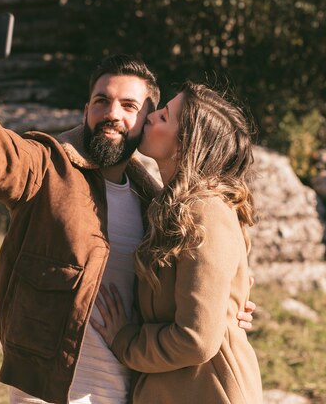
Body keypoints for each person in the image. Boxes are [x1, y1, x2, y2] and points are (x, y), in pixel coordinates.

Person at [0, 16, 256, 404]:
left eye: (129, 105)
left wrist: (228, 309)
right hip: (49, 390)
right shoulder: (46, 168)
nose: (112, 113)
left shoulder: (158, 203)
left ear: (148, 119)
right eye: (101, 101)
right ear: (86, 110)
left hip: (132, 391)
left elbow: (197, 292)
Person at [91, 82, 263, 403]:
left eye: (165, 116)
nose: (151, 116)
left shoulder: (206, 210)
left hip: (208, 392)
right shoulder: (169, 206)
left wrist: (124, 340)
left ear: (185, 144)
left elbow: (196, 339)